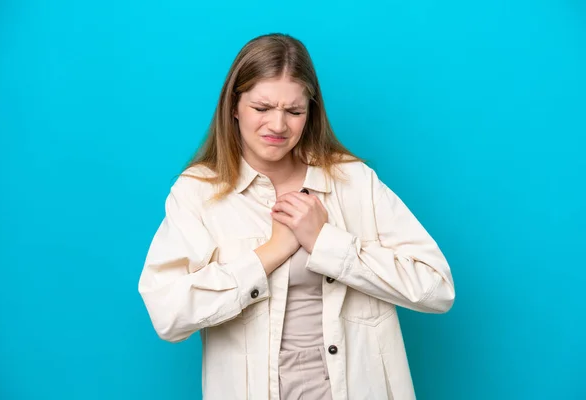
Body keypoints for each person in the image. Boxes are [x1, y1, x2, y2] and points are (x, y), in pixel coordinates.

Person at [138, 33, 455, 400]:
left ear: (311, 112)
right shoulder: (198, 192)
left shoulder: (353, 181)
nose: (278, 126)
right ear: (234, 107)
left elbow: (437, 288)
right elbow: (168, 314)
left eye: (294, 111)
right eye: (262, 108)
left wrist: (327, 243)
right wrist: (270, 253)